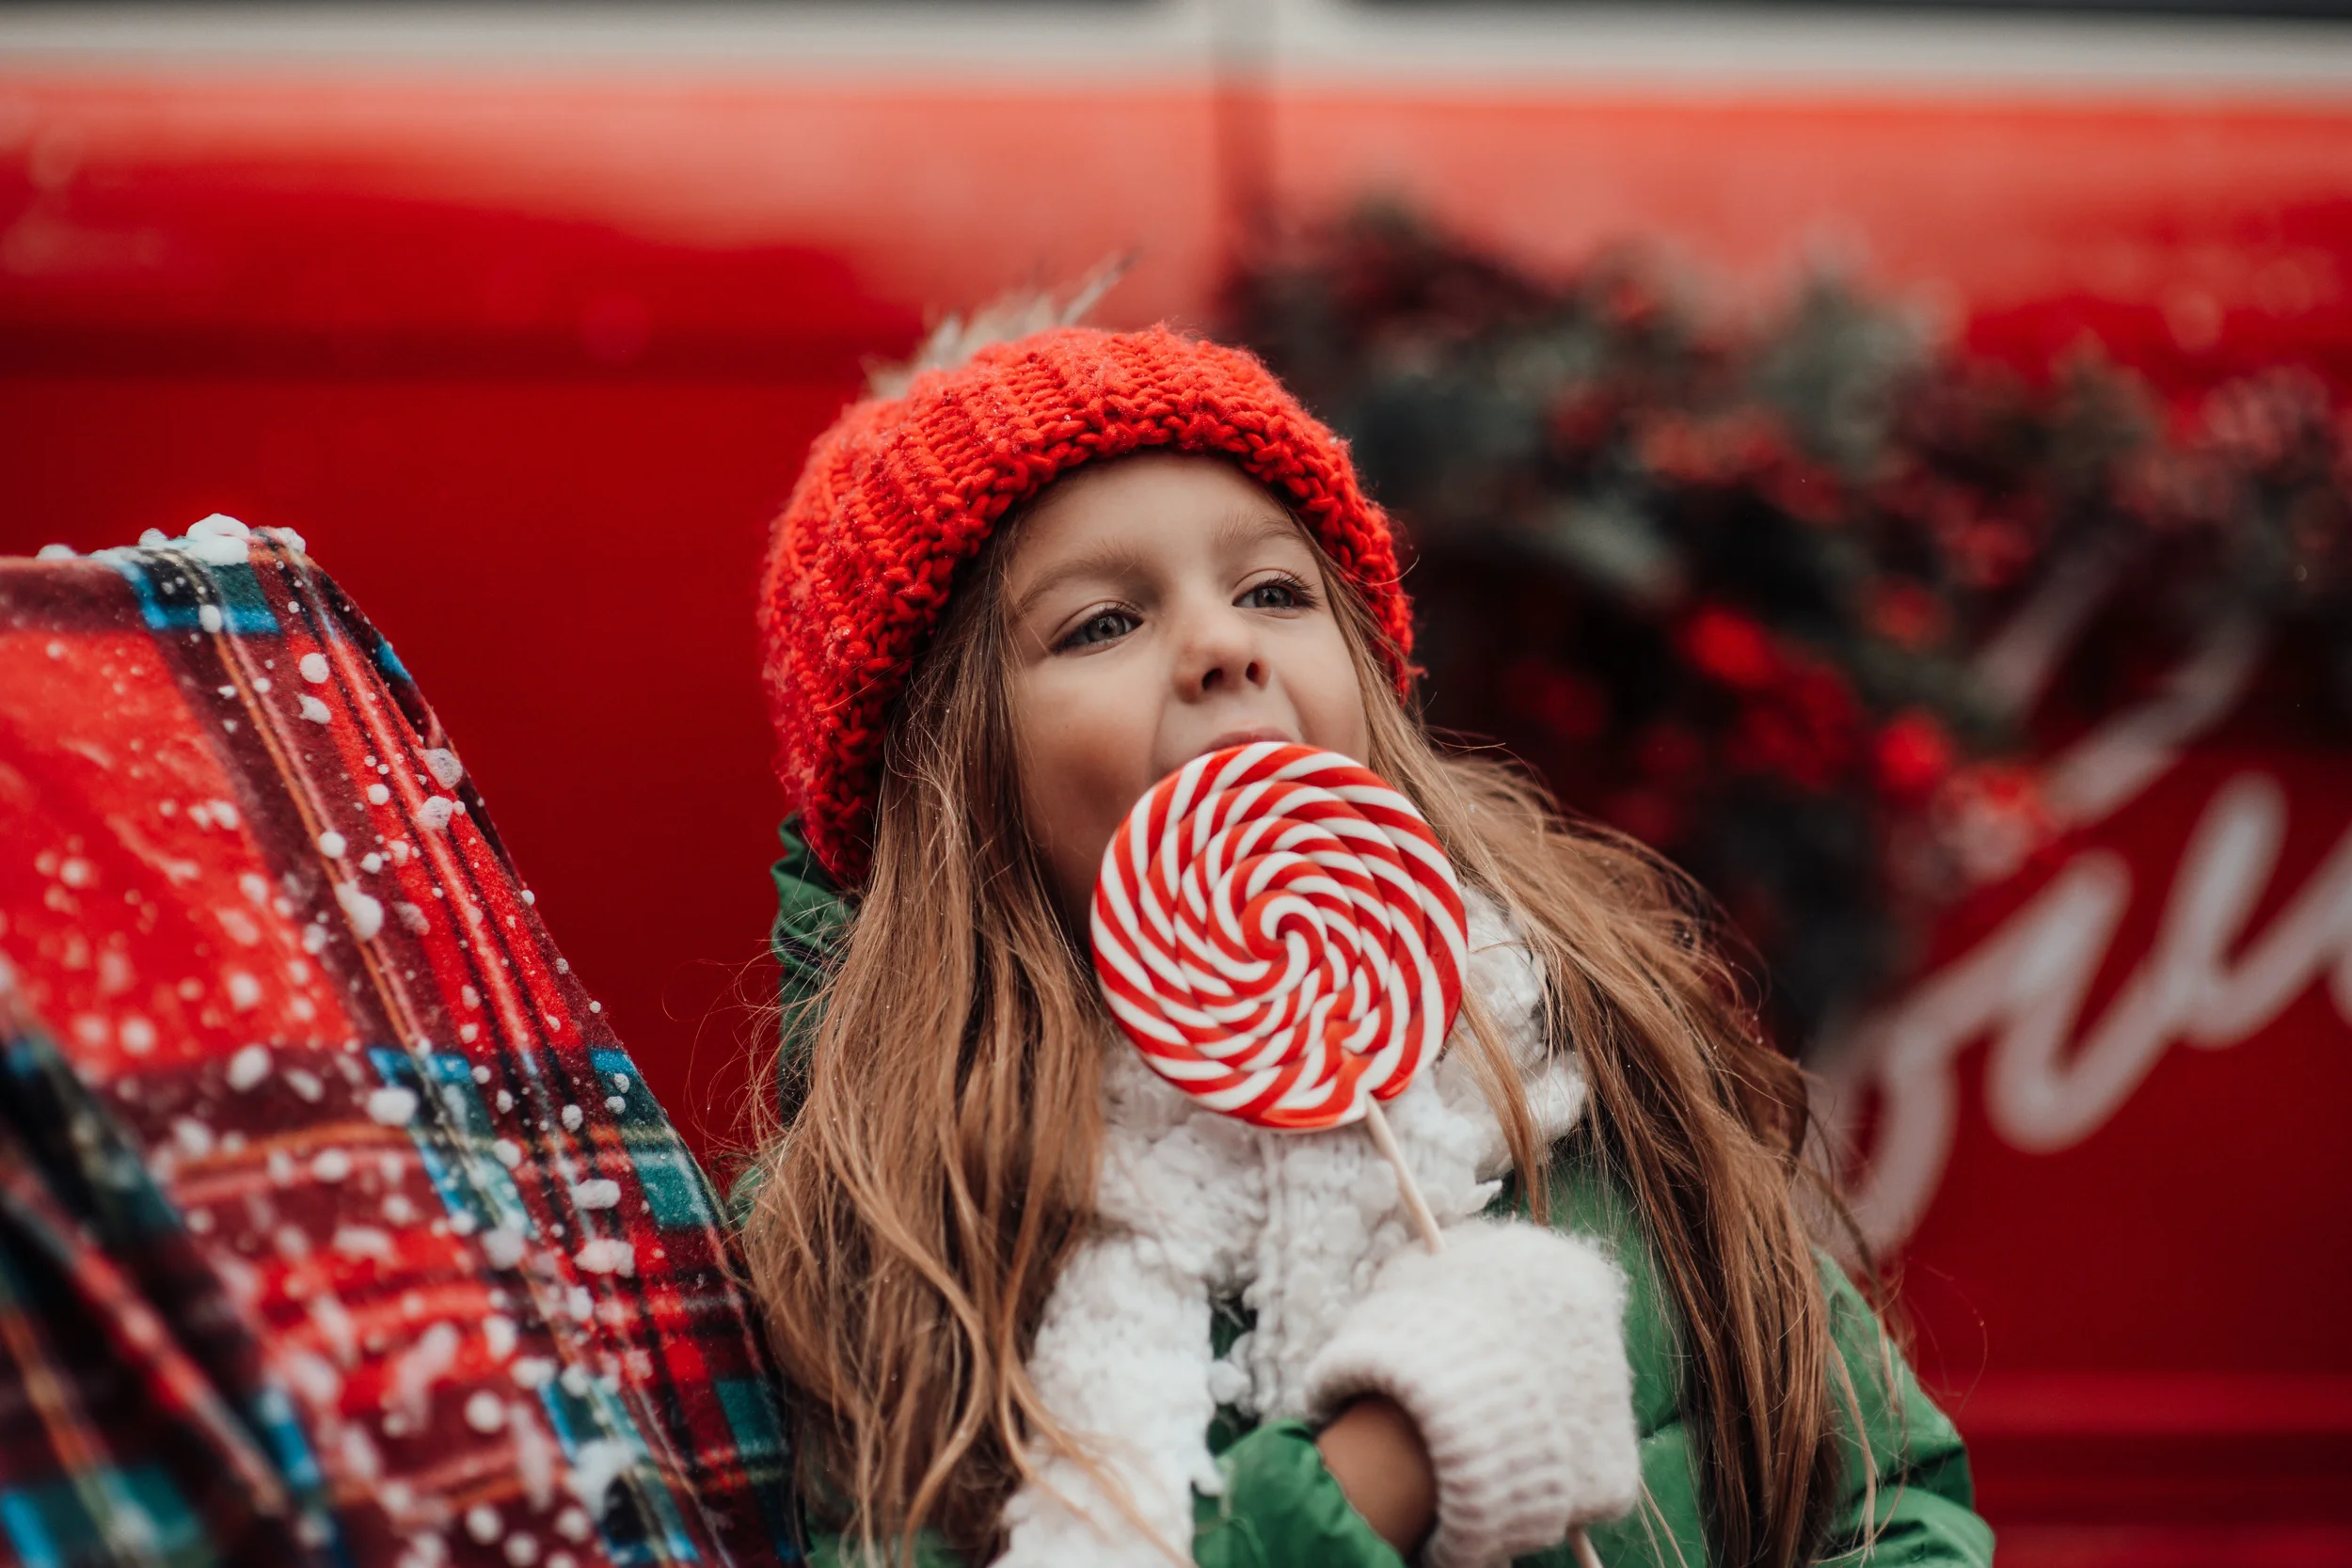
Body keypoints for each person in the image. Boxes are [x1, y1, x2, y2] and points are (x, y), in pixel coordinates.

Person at [736, 324, 1993, 1568]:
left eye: (1274, 592)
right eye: (1102, 623)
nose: (1223, 646)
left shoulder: (1593, 1066)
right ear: (946, 780)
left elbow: (1894, 1512)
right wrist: (1374, 1473)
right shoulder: (889, 1229)